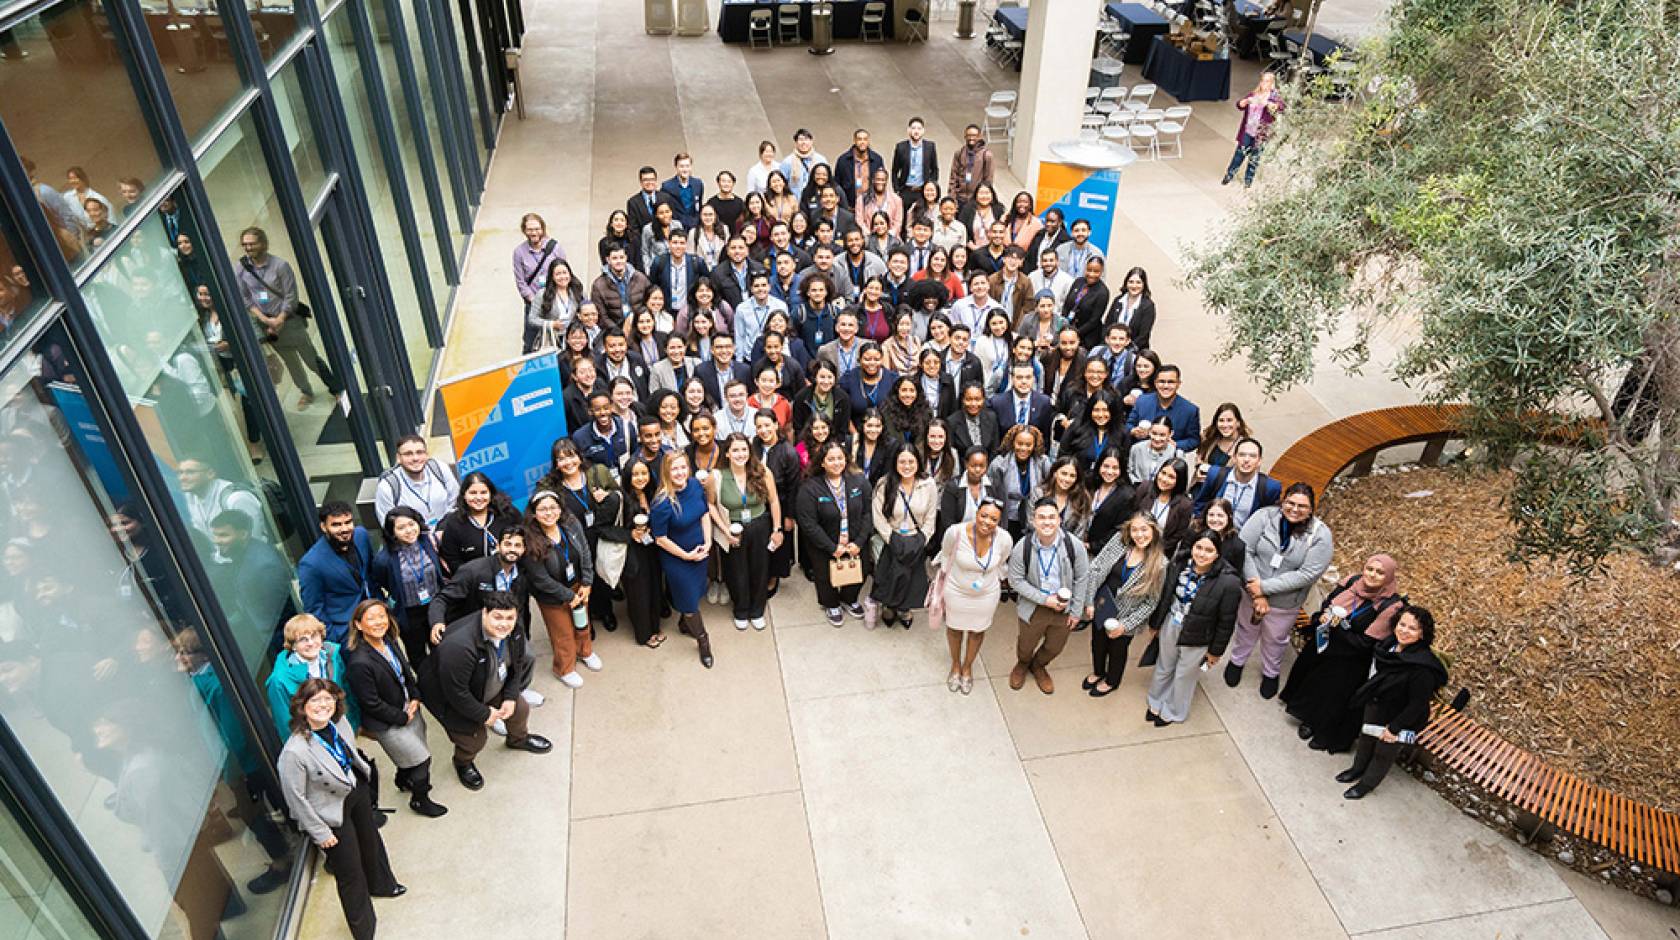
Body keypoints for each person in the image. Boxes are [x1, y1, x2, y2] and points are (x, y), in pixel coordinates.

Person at [277, 678, 403, 940]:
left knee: (371, 842)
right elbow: (296, 799)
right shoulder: (294, 752)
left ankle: (382, 884)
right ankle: (364, 930)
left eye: (328, 699)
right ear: (302, 707)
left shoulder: (339, 723)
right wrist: (320, 833)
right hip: (329, 811)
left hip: (353, 791)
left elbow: (350, 754)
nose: (323, 705)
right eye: (315, 700)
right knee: (349, 871)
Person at [417, 592, 553, 791]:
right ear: (484, 613)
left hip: (489, 680)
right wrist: (484, 714)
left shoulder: (514, 629)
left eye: (509, 618)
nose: (504, 624)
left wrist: (510, 697)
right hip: (449, 697)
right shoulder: (458, 647)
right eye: (497, 617)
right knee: (474, 739)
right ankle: (463, 762)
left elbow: (518, 664)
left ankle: (518, 740)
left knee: (520, 709)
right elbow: (456, 693)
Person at [1282, 554, 1405, 752]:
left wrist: (1338, 628)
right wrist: (1324, 617)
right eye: (1370, 569)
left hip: (1351, 659)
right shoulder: (1353, 582)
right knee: (1315, 684)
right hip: (1326, 645)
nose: (1372, 575)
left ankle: (1322, 730)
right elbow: (1329, 602)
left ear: (1389, 577)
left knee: (1334, 695)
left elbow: (1367, 643)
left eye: (1380, 573)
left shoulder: (1390, 606)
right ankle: (1308, 719)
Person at [1226, 483, 1335, 699]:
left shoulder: (1320, 535)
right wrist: (1256, 590)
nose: (1295, 509)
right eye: (1290, 503)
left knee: (1275, 638)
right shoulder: (1264, 517)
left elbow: (1307, 574)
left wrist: (1264, 588)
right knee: (1246, 628)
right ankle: (1237, 660)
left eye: (1302, 506)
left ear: (1312, 508)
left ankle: (1271, 672)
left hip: (1285, 602)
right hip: (1250, 592)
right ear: (1282, 501)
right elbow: (1244, 549)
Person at [343, 600, 447, 818]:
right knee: (421, 759)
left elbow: (405, 671)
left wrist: (416, 697)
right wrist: (402, 717)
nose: (379, 622)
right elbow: (371, 703)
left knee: (413, 751)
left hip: (409, 707)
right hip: (389, 720)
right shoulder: (359, 662)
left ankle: (403, 778)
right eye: (371, 618)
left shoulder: (389, 640)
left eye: (382, 616)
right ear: (359, 625)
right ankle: (420, 800)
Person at [1336, 606, 1447, 799]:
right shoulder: (1388, 646)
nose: (1404, 630)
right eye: (1402, 624)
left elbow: (1417, 704)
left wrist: (1394, 728)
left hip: (1400, 716)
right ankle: (1357, 769)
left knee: (1383, 752)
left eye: (1412, 628)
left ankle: (1366, 784)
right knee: (1366, 740)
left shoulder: (1422, 668)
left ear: (1422, 634)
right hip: (1377, 702)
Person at [1144, 531, 1243, 725]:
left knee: (1184, 674)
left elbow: (1226, 621)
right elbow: (1165, 597)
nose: (1202, 554)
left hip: (1199, 634)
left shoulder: (1229, 582)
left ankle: (1173, 711)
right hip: (1171, 624)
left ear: (1217, 554)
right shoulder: (1178, 565)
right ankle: (1156, 700)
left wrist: (1216, 651)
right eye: (1199, 548)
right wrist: (1155, 624)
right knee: (1164, 665)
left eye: (1209, 550)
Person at [236, 227, 337, 409]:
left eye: (252, 243)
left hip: (289, 323)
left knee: (311, 359)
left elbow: (291, 296)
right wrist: (265, 320)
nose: (248, 248)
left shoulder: (280, 266)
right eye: (245, 244)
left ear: (263, 244)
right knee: (291, 363)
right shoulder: (241, 268)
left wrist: (279, 319)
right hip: (268, 326)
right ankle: (306, 392)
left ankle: (336, 388)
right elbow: (246, 299)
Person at [1006, 498, 1092, 695]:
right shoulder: (1023, 547)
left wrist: (1077, 610)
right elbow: (1016, 581)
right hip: (1034, 607)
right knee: (1026, 644)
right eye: (1041, 517)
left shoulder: (1074, 545)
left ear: (1059, 520)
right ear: (1033, 521)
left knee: (1055, 646)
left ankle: (1038, 666)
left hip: (1065, 608)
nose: (1047, 522)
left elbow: (1082, 578)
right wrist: (1045, 600)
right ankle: (1023, 663)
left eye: (1052, 517)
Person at [538, 439, 624, 633]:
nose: (567, 463)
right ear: (556, 463)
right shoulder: (553, 488)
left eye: (571, 456)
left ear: (579, 456)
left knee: (600, 575)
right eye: (561, 459)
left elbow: (618, 494)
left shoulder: (595, 474)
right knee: (580, 581)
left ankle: (605, 611)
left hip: (599, 535)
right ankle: (586, 620)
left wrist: (607, 494)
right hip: (573, 542)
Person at [1081, 514, 1168, 696]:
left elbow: (1151, 603)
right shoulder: (1118, 543)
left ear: (1153, 530)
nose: (1139, 535)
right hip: (1102, 605)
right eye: (1134, 530)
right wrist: (1089, 601)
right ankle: (1098, 672)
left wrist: (1125, 625)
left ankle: (1112, 681)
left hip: (1126, 618)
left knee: (1117, 651)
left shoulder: (1160, 564)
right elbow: (1096, 568)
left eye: (1144, 529)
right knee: (1097, 643)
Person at [708, 432, 783, 631]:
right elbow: (711, 505)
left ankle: (757, 610)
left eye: (744, 449)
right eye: (735, 450)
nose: (740, 454)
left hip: (759, 525)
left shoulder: (763, 472)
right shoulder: (717, 477)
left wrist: (777, 529)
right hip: (733, 527)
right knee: (736, 570)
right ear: (727, 454)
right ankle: (740, 609)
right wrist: (724, 530)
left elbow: (774, 501)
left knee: (760, 568)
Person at [522, 490, 597, 688]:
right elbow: (539, 579)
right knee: (562, 632)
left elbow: (585, 551)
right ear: (534, 513)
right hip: (552, 596)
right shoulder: (530, 539)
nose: (549, 513)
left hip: (578, 585)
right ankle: (564, 668)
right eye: (543, 509)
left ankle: (585, 651)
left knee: (582, 623)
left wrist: (587, 583)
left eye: (553, 507)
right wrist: (568, 595)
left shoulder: (571, 524)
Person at [649, 451, 715, 666]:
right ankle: (703, 641)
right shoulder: (661, 503)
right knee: (688, 602)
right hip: (678, 559)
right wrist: (686, 556)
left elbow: (704, 513)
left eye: (683, 467)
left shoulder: (695, 485)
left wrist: (708, 541)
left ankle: (685, 623)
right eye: (674, 468)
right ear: (666, 472)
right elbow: (660, 538)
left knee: (694, 595)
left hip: (700, 550)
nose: (679, 472)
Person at [938, 496, 1010, 694]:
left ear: (999, 521)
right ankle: (955, 665)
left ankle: (967, 667)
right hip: (956, 591)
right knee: (954, 629)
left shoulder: (1004, 539)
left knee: (977, 632)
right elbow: (945, 554)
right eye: (984, 515)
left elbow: (1002, 561)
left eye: (993, 519)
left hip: (986, 594)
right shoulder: (955, 532)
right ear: (976, 513)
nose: (987, 522)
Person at [796, 441, 871, 627]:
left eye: (840, 458)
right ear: (822, 462)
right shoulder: (810, 488)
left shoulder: (859, 482)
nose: (836, 463)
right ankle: (831, 604)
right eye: (831, 459)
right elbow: (808, 524)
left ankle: (849, 598)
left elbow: (868, 513)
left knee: (859, 570)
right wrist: (831, 547)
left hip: (855, 541)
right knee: (824, 575)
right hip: (825, 544)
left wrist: (859, 542)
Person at [869, 445, 939, 628]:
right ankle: (890, 606)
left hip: (917, 538)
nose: (906, 466)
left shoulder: (928, 484)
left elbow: (931, 516)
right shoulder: (884, 484)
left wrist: (923, 538)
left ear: (918, 462)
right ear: (895, 463)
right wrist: (891, 538)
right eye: (902, 461)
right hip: (893, 536)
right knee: (890, 575)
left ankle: (904, 609)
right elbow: (878, 516)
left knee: (911, 577)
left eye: (911, 461)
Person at [370, 507, 445, 667]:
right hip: (410, 614)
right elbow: (380, 583)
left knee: (442, 649)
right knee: (418, 657)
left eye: (411, 524)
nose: (409, 530)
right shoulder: (384, 559)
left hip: (435, 605)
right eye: (401, 528)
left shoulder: (430, 542)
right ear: (392, 532)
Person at [265, 614, 356, 738]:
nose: (311, 643)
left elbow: (346, 694)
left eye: (314, 636)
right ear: (293, 646)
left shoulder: (333, 657)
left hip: (342, 729)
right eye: (303, 639)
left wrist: (354, 727)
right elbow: (286, 725)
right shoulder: (278, 681)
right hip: (314, 742)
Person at [298, 502, 375, 644]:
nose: (344, 529)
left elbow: (370, 574)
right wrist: (337, 637)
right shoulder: (311, 564)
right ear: (323, 527)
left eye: (348, 522)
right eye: (336, 525)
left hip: (376, 619)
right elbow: (315, 609)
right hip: (348, 633)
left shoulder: (361, 535)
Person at [618, 456, 666, 647]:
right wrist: (630, 534)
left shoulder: (654, 493)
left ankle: (655, 627)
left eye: (643, 473)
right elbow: (605, 528)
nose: (640, 478)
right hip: (633, 553)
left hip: (652, 550)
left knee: (654, 587)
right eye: (635, 474)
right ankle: (644, 634)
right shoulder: (620, 499)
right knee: (639, 594)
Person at [436, 472, 522, 576]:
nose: (478, 497)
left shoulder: (507, 513)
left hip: (514, 576)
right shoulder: (454, 523)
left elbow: (524, 540)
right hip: (475, 583)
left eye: (483, 492)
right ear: (464, 495)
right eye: (473, 493)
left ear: (491, 494)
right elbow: (453, 560)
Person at [373, 434, 459, 528]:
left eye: (420, 452)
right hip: (412, 539)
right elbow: (388, 526)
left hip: (447, 532)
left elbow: (455, 502)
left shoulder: (440, 469)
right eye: (408, 454)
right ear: (398, 458)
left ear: (427, 455)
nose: (415, 458)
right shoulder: (387, 486)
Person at [1192, 436, 1280, 528]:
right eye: (1242, 455)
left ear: (1259, 461)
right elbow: (1200, 504)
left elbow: (1268, 520)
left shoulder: (1270, 487)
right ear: (1234, 458)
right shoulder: (1215, 474)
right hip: (1213, 534)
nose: (1246, 460)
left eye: (1252, 456)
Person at [988, 424, 1050, 539]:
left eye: (1028, 445)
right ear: (1012, 442)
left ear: (1034, 445)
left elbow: (1049, 488)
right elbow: (991, 493)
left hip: (1034, 517)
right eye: (1019, 443)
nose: (1023, 448)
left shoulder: (1043, 462)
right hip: (1007, 517)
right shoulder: (999, 464)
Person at [1225, 71, 1285, 188]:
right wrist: (1246, 101)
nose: (1264, 84)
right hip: (1248, 130)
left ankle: (1248, 180)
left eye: (1267, 81)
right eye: (1262, 80)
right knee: (1239, 154)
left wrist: (1267, 103)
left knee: (1255, 157)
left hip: (1260, 134)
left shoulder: (1274, 97)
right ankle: (1229, 175)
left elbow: (1280, 107)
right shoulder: (1254, 94)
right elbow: (1239, 105)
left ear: (1272, 83)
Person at [1132, 457, 1193, 558]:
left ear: (1179, 480)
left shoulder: (1185, 504)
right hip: (1134, 544)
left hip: (1159, 553)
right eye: (1163, 473)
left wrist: (1154, 549)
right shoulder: (1145, 487)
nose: (1164, 479)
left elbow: (1178, 535)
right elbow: (1132, 513)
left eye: (1171, 477)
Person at [513, 212, 564, 333]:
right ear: (524, 231)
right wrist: (534, 300)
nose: (534, 233)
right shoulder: (519, 252)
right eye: (529, 229)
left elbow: (564, 273)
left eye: (537, 229)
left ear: (543, 229)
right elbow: (520, 281)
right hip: (533, 302)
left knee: (558, 336)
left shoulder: (555, 248)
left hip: (555, 299)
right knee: (530, 341)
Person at [525, 258, 585, 353]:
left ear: (570, 273)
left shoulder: (578, 291)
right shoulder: (542, 294)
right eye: (558, 274)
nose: (562, 277)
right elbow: (532, 319)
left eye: (565, 273)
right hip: (551, 340)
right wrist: (551, 324)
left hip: (574, 340)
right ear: (552, 277)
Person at [589, 247, 653, 329]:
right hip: (613, 331)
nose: (619, 261)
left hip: (639, 327)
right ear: (608, 260)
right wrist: (617, 331)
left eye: (621, 257)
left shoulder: (640, 278)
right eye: (614, 258)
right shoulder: (598, 285)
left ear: (626, 258)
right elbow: (601, 315)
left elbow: (650, 302)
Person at [992, 362, 1054, 438]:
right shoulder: (997, 403)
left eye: (1028, 377)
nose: (1024, 382)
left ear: (1033, 379)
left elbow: (1045, 436)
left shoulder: (1044, 402)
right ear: (1012, 378)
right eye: (1019, 377)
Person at [1106, 267, 1157, 350]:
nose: (1134, 286)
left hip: (1135, 350)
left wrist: (1125, 350)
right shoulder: (1118, 300)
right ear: (1126, 283)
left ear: (1144, 285)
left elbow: (1143, 336)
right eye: (1131, 282)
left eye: (1138, 282)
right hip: (1112, 347)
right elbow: (1107, 324)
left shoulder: (1148, 306)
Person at [833, 128, 885, 207]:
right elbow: (837, 184)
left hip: (871, 205)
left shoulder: (877, 159)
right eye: (859, 139)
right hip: (850, 206)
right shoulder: (843, 160)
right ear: (854, 140)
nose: (862, 142)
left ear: (868, 141)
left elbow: (881, 181)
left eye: (865, 139)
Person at [948, 124, 994, 201]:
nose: (971, 138)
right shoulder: (959, 153)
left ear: (979, 136)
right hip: (960, 197)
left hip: (976, 199)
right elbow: (953, 176)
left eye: (974, 135)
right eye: (968, 135)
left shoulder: (986, 155)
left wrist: (983, 198)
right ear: (965, 136)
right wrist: (952, 196)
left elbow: (988, 180)